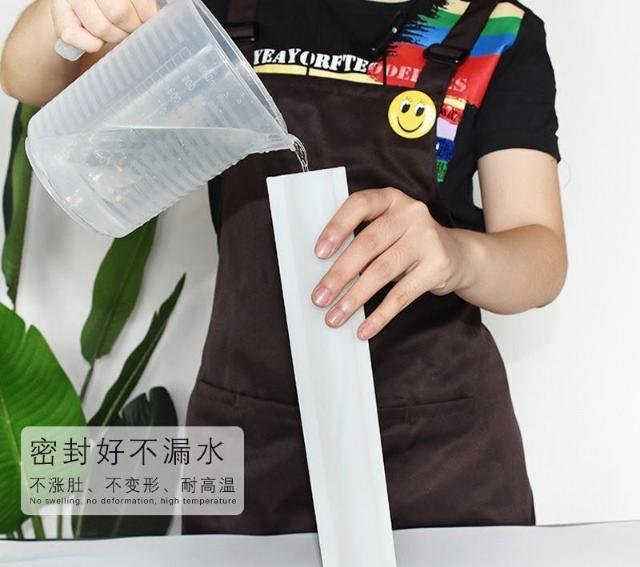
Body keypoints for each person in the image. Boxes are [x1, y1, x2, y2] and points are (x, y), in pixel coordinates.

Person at [0, 0, 567, 533]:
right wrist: (65, 11)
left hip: (438, 450)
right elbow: (27, 78)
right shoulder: (226, 8)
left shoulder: (499, 30)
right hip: (248, 430)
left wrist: (456, 254)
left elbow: (541, 259)